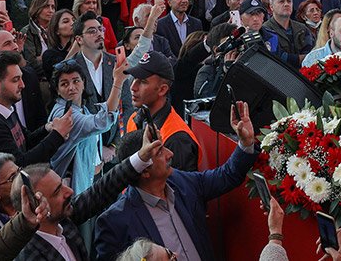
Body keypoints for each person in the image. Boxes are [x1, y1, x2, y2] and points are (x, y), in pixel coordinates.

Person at [95, 100, 259, 261]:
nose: (170, 154)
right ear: (144, 168)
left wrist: (245, 142)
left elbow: (226, 176)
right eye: (160, 152)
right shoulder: (114, 223)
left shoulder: (182, 182)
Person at [0, 51, 72, 184]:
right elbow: (21, 165)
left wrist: (47, 129)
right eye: (15, 80)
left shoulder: (6, 109)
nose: (22, 85)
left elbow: (26, 139)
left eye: (21, 78)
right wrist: (58, 135)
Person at [47, 45, 129, 195]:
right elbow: (102, 122)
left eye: (76, 81)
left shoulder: (82, 109)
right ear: (57, 90)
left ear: (84, 83)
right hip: (75, 193)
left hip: (92, 182)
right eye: (64, 84)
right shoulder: (65, 114)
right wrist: (118, 82)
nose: (71, 87)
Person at [121, 50, 204, 172]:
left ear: (162, 90)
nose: (133, 87)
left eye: (142, 81)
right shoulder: (134, 118)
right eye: (134, 79)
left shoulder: (177, 138)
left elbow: (182, 189)